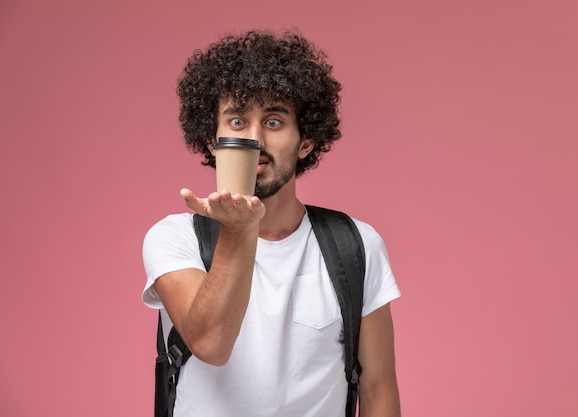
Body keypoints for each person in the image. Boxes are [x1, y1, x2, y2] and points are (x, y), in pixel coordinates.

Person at [142, 29, 402, 417]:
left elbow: (378, 389)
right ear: (212, 140)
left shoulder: (358, 245)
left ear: (306, 142)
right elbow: (211, 343)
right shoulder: (173, 238)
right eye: (236, 120)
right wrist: (239, 227)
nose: (254, 139)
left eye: (274, 121)